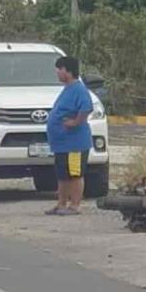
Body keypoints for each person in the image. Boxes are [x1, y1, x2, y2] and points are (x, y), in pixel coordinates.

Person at [44, 56, 93, 217]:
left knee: (75, 174)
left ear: (68, 71)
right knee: (62, 174)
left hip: (74, 144)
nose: (57, 73)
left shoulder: (79, 89)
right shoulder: (67, 89)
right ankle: (61, 203)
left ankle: (75, 205)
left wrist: (75, 122)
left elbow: (86, 107)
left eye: (60, 69)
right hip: (61, 143)